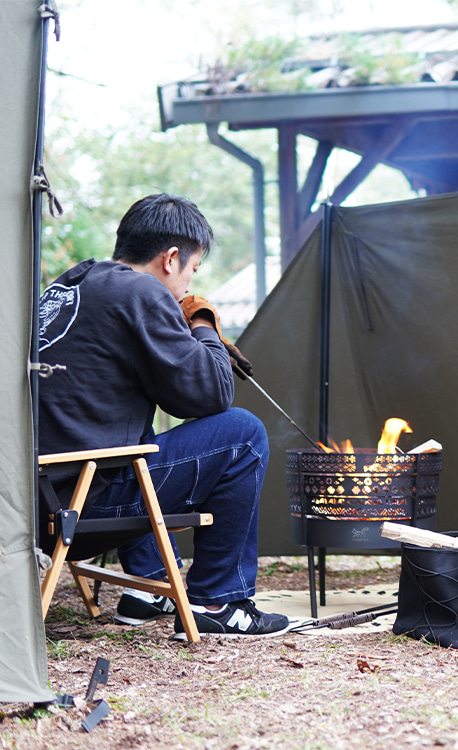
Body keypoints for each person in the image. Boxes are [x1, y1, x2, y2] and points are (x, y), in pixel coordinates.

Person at [38, 193, 289, 639]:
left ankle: (148, 586)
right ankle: (217, 601)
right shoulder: (141, 292)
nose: (189, 285)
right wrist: (203, 321)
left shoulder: (71, 285)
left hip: (34, 500)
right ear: (171, 258)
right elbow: (210, 394)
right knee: (243, 434)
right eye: (193, 270)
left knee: (139, 431)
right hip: (81, 508)